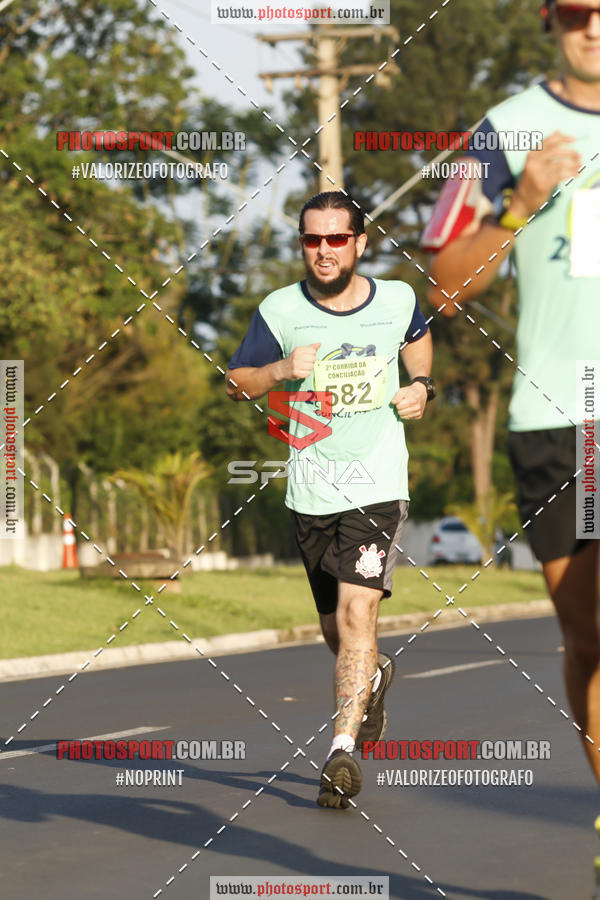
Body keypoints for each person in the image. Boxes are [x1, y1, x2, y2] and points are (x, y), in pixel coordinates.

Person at [424, 0, 600, 886]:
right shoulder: (503, 133)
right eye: (580, 11)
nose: (596, 26)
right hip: (562, 416)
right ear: (551, 21)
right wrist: (525, 203)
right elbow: (443, 280)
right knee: (589, 637)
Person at [226, 191, 434, 808]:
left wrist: (421, 384)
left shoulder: (396, 298)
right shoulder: (279, 309)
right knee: (333, 628)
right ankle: (370, 677)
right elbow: (237, 383)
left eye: (336, 239)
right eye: (311, 240)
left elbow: (418, 338)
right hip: (310, 489)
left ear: (359, 244)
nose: (323, 251)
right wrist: (282, 369)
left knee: (356, 618)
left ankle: (341, 749)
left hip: (377, 486)